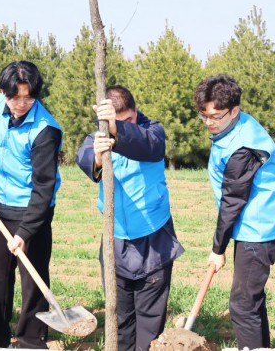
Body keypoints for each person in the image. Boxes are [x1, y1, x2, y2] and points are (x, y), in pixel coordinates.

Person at [76, 85, 184, 351]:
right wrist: (98, 158)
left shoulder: (152, 131)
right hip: (116, 240)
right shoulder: (98, 136)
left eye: (128, 120)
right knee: (120, 320)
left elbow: (150, 146)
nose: (124, 125)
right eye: (116, 121)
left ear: (136, 112)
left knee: (150, 325)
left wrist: (117, 129)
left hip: (153, 239)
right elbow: (83, 156)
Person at [0, 60, 63, 349]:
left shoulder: (46, 130)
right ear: (3, 92)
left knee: (33, 280)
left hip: (32, 209)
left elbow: (44, 187)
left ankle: (31, 341)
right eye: (15, 97)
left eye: (28, 97)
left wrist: (25, 231)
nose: (21, 104)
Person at [192, 74, 275, 350]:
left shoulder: (243, 148)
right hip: (256, 223)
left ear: (234, 111)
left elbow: (232, 200)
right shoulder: (236, 126)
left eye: (215, 116)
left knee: (243, 304)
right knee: (252, 300)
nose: (209, 123)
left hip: (259, 229)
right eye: (203, 115)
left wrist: (218, 249)